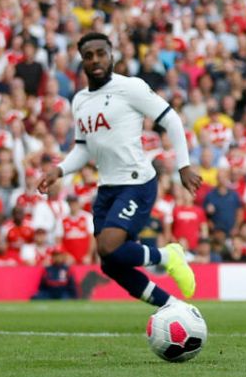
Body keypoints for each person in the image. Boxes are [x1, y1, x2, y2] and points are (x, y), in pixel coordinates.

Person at [37, 32, 200, 310]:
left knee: (108, 247)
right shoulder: (79, 101)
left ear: (112, 56)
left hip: (137, 182)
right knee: (110, 265)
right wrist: (60, 170)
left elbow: (171, 119)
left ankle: (168, 256)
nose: (95, 60)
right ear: (82, 61)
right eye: (88, 56)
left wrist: (183, 166)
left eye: (101, 53)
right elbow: (84, 148)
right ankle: (172, 307)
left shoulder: (131, 87)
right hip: (107, 187)